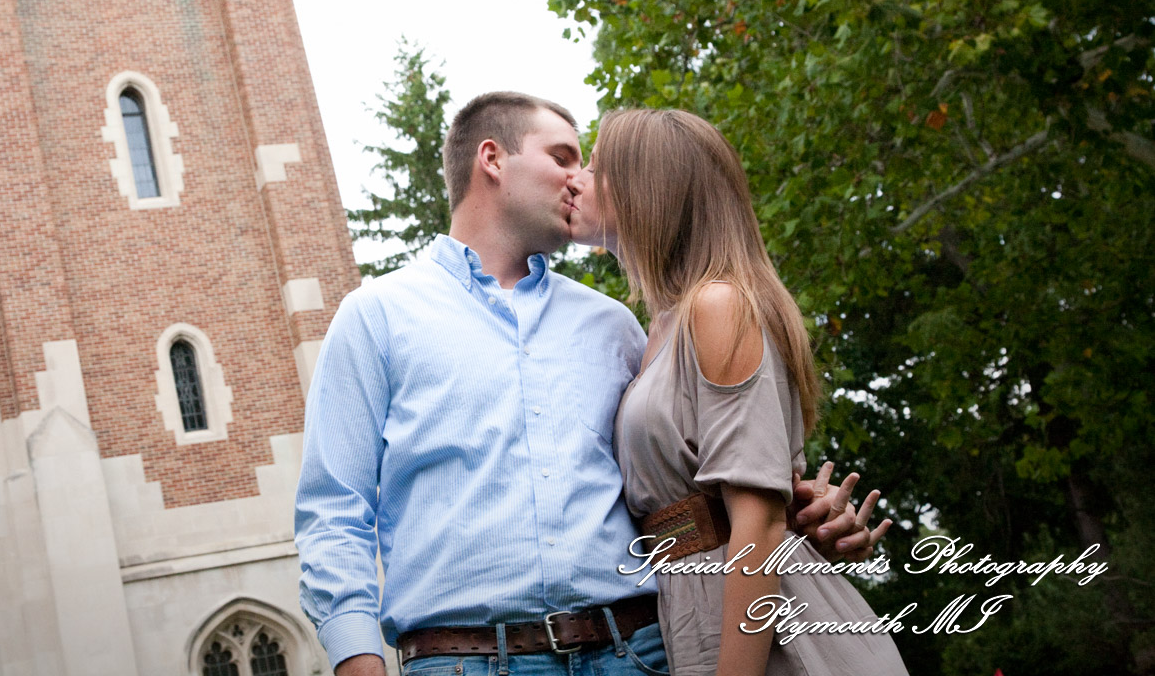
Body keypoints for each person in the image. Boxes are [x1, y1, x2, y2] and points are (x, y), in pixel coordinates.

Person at [295, 92, 884, 676]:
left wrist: (800, 511)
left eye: (590, 165)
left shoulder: (616, 326)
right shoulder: (377, 316)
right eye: (563, 157)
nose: (577, 178)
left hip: (641, 650)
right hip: (462, 661)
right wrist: (357, 658)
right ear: (493, 159)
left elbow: (707, 472)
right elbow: (333, 510)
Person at [567, 108, 907, 675]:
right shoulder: (657, 328)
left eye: (597, 167)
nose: (575, 178)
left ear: (649, 190)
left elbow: (760, 522)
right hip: (691, 611)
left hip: (768, 632)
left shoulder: (717, 305)